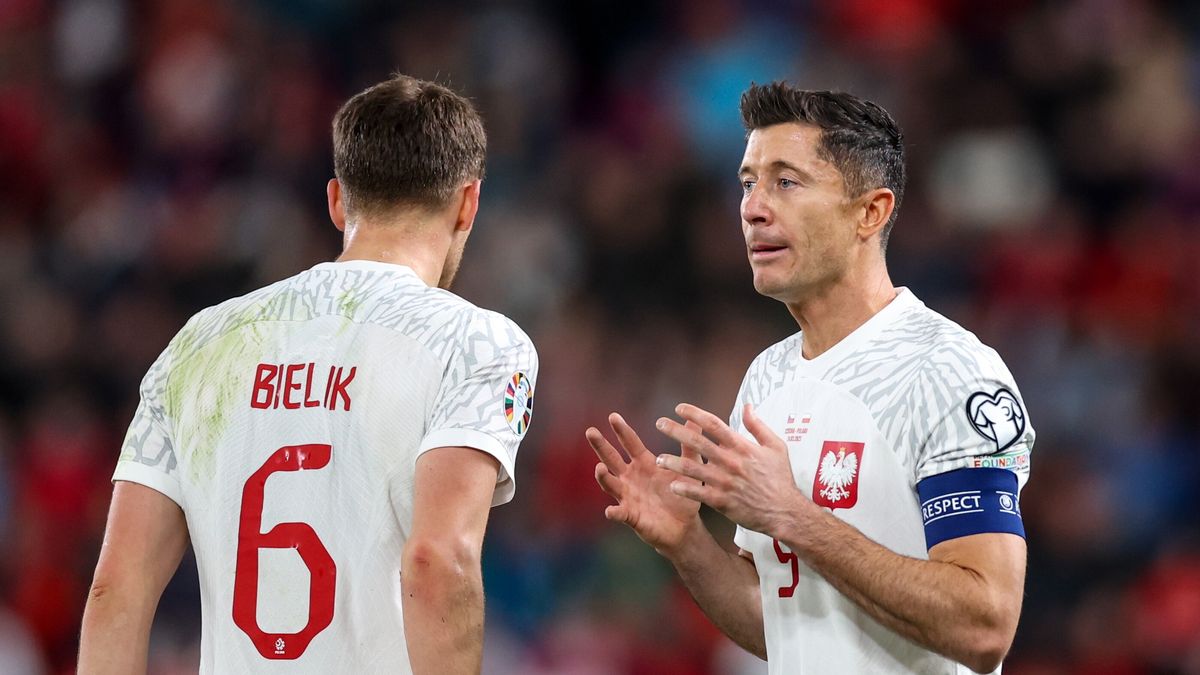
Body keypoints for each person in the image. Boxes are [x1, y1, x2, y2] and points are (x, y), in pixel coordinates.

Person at [78, 74, 538, 674]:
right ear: (468, 203)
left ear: (338, 200)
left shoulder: (201, 344)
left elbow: (116, 588)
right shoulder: (478, 343)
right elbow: (437, 560)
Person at [586, 82, 1033, 674]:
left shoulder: (947, 370)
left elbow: (985, 625)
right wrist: (688, 545)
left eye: (786, 182)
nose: (752, 207)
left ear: (870, 212)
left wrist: (792, 515)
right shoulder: (767, 377)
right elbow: (778, 622)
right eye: (748, 183)